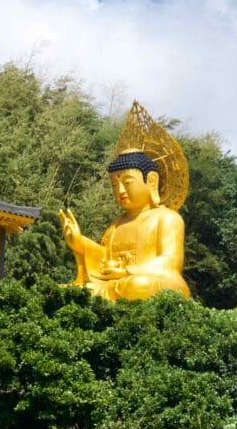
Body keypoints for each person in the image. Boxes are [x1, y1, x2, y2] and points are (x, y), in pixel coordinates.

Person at [58, 102, 191, 301]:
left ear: (152, 181)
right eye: (114, 185)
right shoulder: (116, 226)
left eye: (127, 182)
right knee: (66, 291)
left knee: (139, 285)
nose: (120, 190)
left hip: (154, 281)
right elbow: (104, 262)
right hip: (116, 284)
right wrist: (80, 243)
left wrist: (128, 270)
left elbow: (170, 263)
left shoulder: (167, 219)